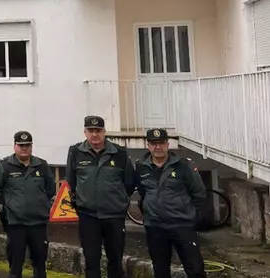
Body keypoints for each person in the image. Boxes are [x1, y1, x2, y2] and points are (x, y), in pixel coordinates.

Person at [66, 115, 135, 278]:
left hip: (114, 216)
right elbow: (72, 181)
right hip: (88, 216)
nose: (94, 134)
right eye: (90, 130)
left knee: (115, 260)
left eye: (98, 130)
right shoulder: (76, 152)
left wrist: (118, 201)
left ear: (104, 132)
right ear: (85, 132)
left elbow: (129, 183)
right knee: (91, 261)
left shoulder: (119, 153)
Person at [135, 128, 207, 278]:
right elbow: (143, 193)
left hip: (182, 225)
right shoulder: (141, 166)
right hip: (156, 227)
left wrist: (194, 218)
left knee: (195, 269)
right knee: (160, 270)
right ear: (148, 146)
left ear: (167, 144)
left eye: (161, 143)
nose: (158, 147)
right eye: (153, 144)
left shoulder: (183, 165)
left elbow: (199, 193)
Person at [0, 131, 55, 278]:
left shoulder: (41, 165)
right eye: (21, 145)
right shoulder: (5, 165)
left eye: (27, 145)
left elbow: (50, 189)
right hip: (16, 224)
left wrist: (39, 203)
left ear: (31, 146)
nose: (24, 148)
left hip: (38, 223)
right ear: (15, 146)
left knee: (40, 264)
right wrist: (10, 202)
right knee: (15, 265)